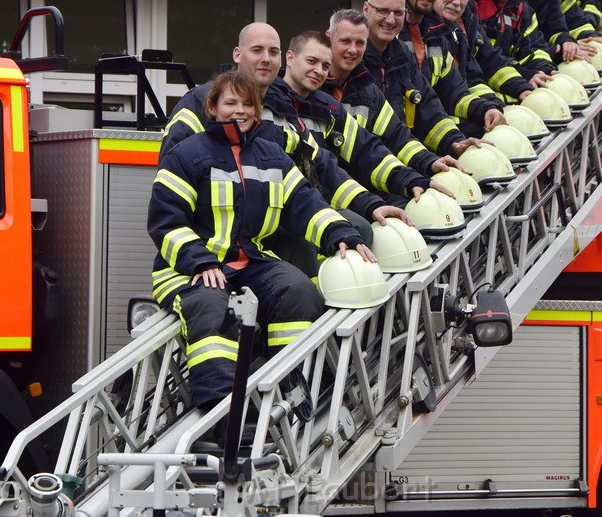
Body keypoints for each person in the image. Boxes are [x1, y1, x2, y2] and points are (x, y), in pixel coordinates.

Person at [148, 70, 377, 413]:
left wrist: (340, 233)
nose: (239, 111)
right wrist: (201, 261)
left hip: (251, 261)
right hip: (190, 268)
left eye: (247, 104)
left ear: (257, 110)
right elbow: (166, 221)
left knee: (298, 289)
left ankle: (291, 388)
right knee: (212, 307)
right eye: (230, 103)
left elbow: (305, 204)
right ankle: (220, 412)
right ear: (212, 108)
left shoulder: (271, 156)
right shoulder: (186, 155)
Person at [159, 22, 410, 242]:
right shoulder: (201, 100)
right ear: (237, 54)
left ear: (282, 58)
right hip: (217, 232)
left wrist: (371, 205)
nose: (266, 59)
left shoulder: (284, 106)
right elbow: (172, 170)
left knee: (357, 229)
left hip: (278, 220)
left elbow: (320, 164)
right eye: (257, 50)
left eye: (272, 52)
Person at [278, 30, 449, 205]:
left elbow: (367, 150)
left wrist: (411, 179)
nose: (318, 71)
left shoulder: (328, 107)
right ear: (290, 58)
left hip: (325, 204)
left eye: (325, 66)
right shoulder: (267, 104)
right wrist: (369, 206)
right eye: (311, 61)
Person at [322, 9, 463, 178]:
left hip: (366, 188)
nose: (353, 50)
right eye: (345, 41)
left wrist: (430, 162)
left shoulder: (369, 90)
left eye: (360, 43)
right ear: (328, 37)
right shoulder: (310, 88)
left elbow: (397, 137)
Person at [362, 0, 484, 157]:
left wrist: (455, 142)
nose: (390, 19)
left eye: (397, 13)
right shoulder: (352, 56)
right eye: (382, 11)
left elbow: (428, 107)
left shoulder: (402, 54)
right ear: (366, 9)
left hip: (399, 160)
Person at [396, 0, 506, 137]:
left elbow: (455, 91)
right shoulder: (392, 33)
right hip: (401, 141)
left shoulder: (438, 33)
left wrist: (487, 109)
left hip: (425, 137)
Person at [434, 0, 534, 103]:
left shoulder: (467, 20)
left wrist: (521, 88)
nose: (457, 2)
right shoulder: (426, 28)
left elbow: (485, 63)